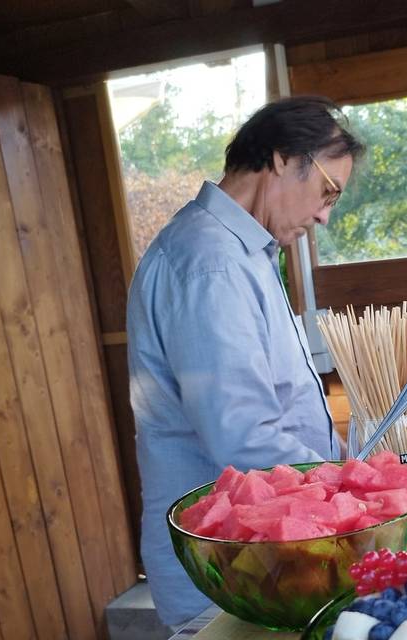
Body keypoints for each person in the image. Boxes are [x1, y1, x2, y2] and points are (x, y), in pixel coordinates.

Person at [126, 96, 365, 628]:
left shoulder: (244, 251)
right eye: (327, 191)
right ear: (283, 157)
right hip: (231, 567)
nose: (325, 214)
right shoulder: (210, 262)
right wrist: (356, 487)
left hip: (263, 559)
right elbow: (243, 436)